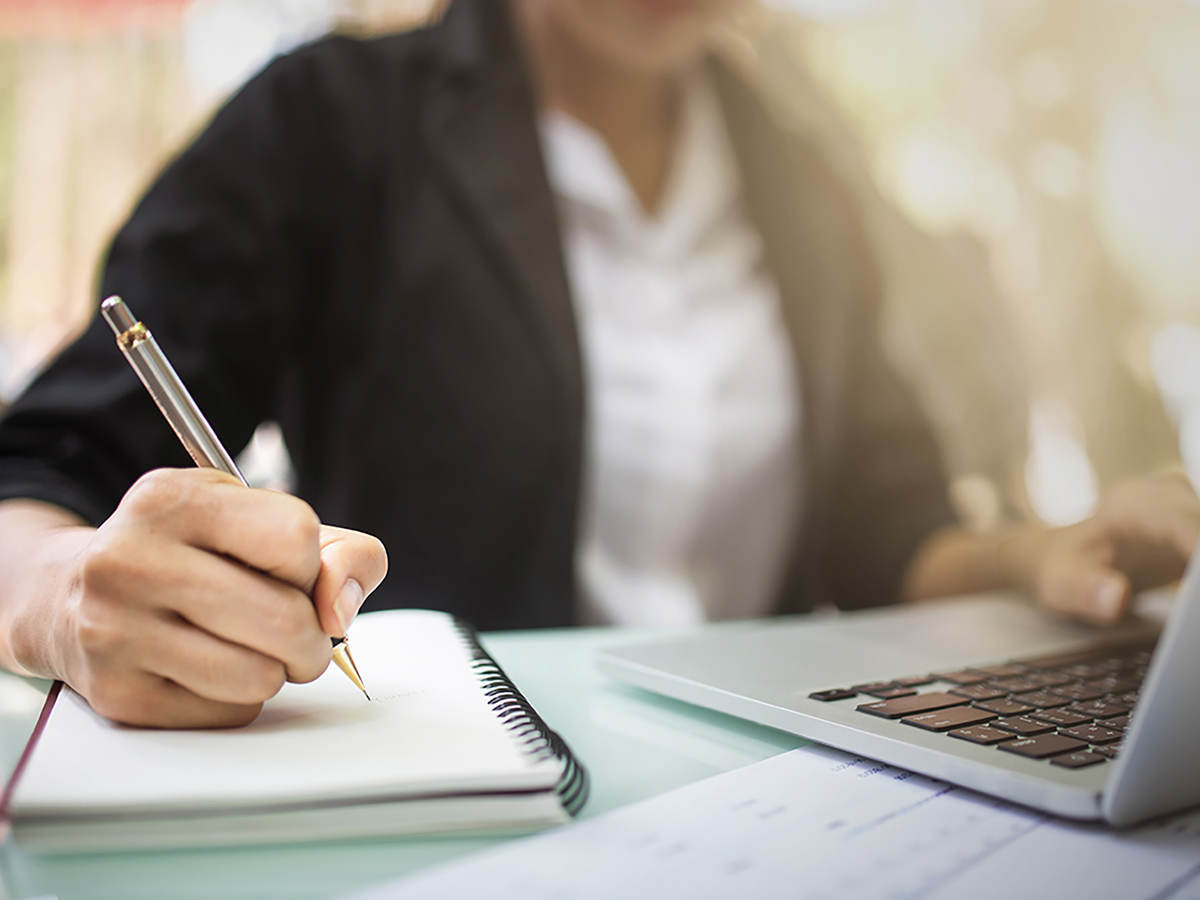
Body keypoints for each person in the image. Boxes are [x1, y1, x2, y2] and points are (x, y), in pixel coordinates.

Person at [0, 0, 1196, 729]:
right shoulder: (328, 122)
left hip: (776, 802)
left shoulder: (805, 171)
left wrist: (1043, 558)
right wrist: (58, 597)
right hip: (446, 796)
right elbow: (40, 474)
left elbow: (887, 535)